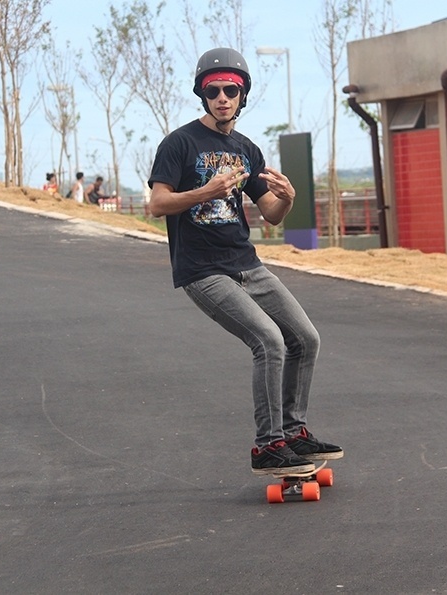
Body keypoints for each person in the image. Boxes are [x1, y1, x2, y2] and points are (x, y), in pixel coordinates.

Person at [147, 47, 343, 476]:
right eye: (213, 89)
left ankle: (293, 433)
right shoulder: (179, 143)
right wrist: (205, 192)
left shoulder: (245, 149)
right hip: (203, 270)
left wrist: (289, 199)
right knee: (269, 342)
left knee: (305, 339)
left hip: (247, 264)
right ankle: (267, 445)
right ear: (202, 94)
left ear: (242, 96)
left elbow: (269, 211)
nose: (222, 97)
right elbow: (158, 203)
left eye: (230, 90)